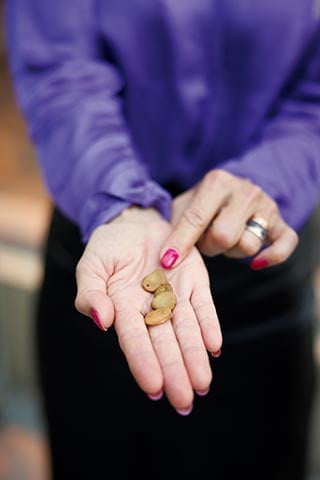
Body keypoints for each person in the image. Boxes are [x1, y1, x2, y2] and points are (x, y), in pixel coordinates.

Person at [4, 1, 320, 478]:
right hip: (107, 248)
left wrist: (268, 178)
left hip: (259, 241)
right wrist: (120, 199)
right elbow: (60, 70)